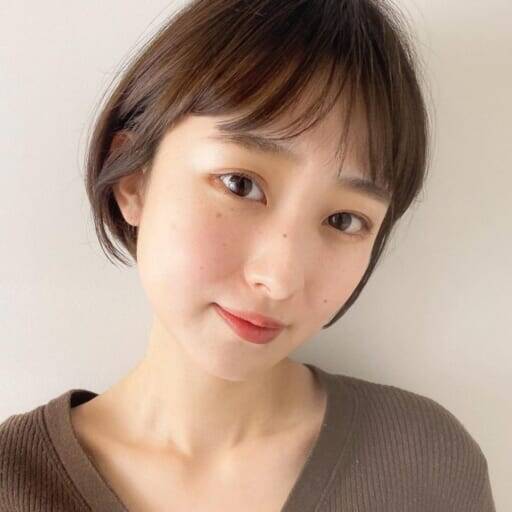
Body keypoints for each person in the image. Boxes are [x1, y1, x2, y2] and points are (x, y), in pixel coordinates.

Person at [0, 0, 496, 511]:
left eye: (344, 220)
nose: (279, 278)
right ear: (133, 179)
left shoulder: (427, 469)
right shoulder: (13, 482)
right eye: (240, 184)